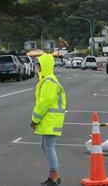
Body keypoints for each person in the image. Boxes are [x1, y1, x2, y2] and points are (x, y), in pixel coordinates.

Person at [31, 53, 66, 186]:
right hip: (49, 119)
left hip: (51, 119)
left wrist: (35, 119)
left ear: (44, 66)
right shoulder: (46, 80)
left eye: (39, 65)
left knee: (49, 147)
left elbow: (44, 103)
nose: (37, 68)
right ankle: (53, 176)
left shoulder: (49, 81)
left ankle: (55, 177)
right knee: (46, 147)